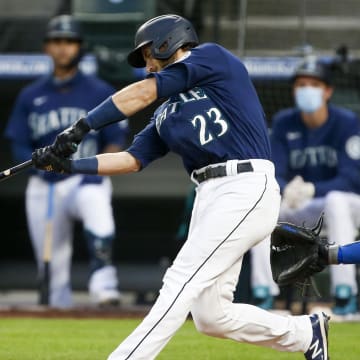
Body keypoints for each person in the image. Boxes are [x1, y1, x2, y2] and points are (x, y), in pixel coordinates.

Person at [31, 14, 329, 360]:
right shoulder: (166, 112)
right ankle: (304, 333)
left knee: (180, 281)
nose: (146, 65)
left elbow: (142, 92)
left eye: (147, 55)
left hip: (245, 184)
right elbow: (131, 159)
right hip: (209, 195)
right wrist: (69, 165)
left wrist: (80, 127)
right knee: (211, 317)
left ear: (167, 42)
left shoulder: (212, 58)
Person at [4, 15, 129, 308]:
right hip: (45, 182)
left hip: (85, 175)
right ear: (47, 47)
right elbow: (19, 142)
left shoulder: (98, 90)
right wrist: (39, 167)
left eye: (69, 42)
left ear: (79, 47)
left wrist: (99, 168)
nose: (63, 48)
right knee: (51, 256)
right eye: (57, 42)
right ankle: (57, 308)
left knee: (97, 207)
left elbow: (116, 137)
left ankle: (104, 287)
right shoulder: (30, 94)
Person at [267, 58, 360, 316]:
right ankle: (263, 292)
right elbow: (275, 171)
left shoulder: (347, 122)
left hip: (350, 205)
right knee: (264, 206)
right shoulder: (285, 121)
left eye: (314, 84)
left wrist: (309, 189)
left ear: (328, 90)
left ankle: (344, 293)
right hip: (305, 206)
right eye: (301, 84)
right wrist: (286, 190)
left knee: (336, 200)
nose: (306, 89)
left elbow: (351, 179)